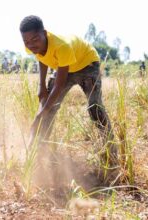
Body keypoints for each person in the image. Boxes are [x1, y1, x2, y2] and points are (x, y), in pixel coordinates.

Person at [19, 15, 118, 179]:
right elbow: (42, 57)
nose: (31, 45)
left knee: (94, 108)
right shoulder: (31, 45)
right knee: (47, 110)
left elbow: (59, 85)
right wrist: (41, 85)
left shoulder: (61, 46)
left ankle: (111, 156)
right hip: (63, 66)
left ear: (44, 33)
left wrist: (41, 112)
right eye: (26, 42)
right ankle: (36, 157)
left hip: (86, 64)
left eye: (35, 39)